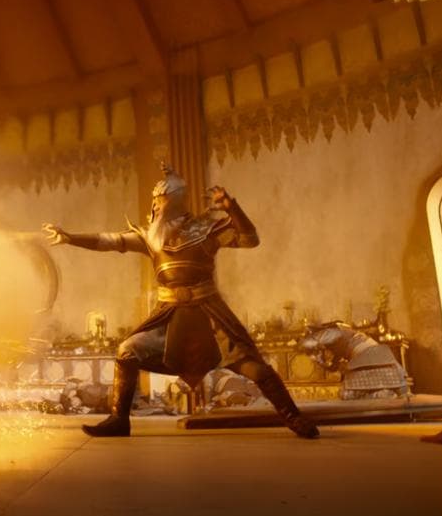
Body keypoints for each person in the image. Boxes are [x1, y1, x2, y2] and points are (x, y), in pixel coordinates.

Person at [42, 164, 318, 438]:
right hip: (169, 317)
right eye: (154, 200)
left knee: (254, 368)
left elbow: (249, 239)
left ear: (174, 200)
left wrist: (232, 209)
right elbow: (109, 241)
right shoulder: (152, 237)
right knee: (127, 351)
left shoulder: (205, 230)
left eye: (161, 199)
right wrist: (70, 237)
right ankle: (119, 420)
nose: (155, 205)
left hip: (209, 316)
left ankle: (294, 418)